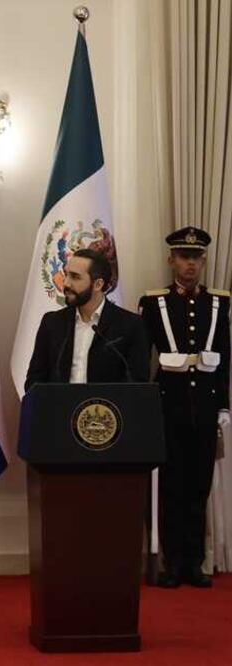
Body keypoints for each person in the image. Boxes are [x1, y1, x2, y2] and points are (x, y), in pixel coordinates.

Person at [138, 226, 230, 588]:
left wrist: (223, 404)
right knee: (171, 484)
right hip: (168, 403)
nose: (189, 264)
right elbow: (143, 356)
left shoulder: (220, 302)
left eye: (195, 258)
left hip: (205, 404)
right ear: (171, 259)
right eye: (182, 257)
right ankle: (172, 561)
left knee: (199, 483)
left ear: (203, 261)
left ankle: (195, 560)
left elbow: (225, 356)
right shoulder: (154, 302)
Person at [25, 248, 150, 389]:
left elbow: (137, 384)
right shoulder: (52, 323)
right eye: (66, 275)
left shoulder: (130, 325)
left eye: (75, 277)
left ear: (98, 284)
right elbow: (34, 381)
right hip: (60, 408)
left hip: (105, 409)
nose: (66, 283)